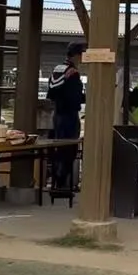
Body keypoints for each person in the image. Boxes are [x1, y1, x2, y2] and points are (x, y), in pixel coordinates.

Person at [47, 42, 85, 190]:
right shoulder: (73, 73)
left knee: (58, 148)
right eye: (82, 54)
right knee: (69, 150)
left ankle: (55, 181)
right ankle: (63, 184)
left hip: (57, 115)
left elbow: (52, 93)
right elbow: (75, 98)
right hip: (69, 116)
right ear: (76, 55)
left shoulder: (57, 69)